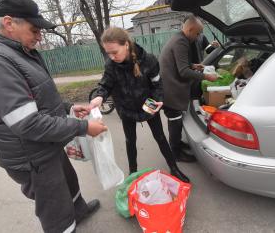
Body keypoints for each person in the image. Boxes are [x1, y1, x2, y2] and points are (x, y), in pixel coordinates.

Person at [0, 0, 107, 233]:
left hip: (45, 145)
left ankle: (78, 210)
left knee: (68, 183)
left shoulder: (17, 52)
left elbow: (37, 98)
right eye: (34, 30)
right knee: (55, 208)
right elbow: (28, 123)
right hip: (31, 156)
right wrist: (83, 128)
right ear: (9, 24)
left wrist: (68, 108)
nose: (39, 37)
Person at [89, 26, 190, 183]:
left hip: (148, 105)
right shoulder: (111, 65)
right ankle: (132, 174)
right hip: (126, 109)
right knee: (130, 141)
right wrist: (99, 97)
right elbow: (105, 84)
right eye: (108, 53)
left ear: (126, 45)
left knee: (161, 137)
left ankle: (174, 168)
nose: (111, 57)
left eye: (114, 52)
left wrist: (158, 99)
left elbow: (157, 84)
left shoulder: (149, 60)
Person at [159, 15, 218, 162]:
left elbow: (181, 64)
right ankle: (176, 153)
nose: (198, 37)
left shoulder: (179, 38)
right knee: (175, 120)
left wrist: (194, 66)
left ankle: (177, 144)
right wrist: (206, 76)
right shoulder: (181, 42)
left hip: (169, 87)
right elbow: (183, 72)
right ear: (191, 30)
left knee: (176, 120)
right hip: (170, 90)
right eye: (197, 33)